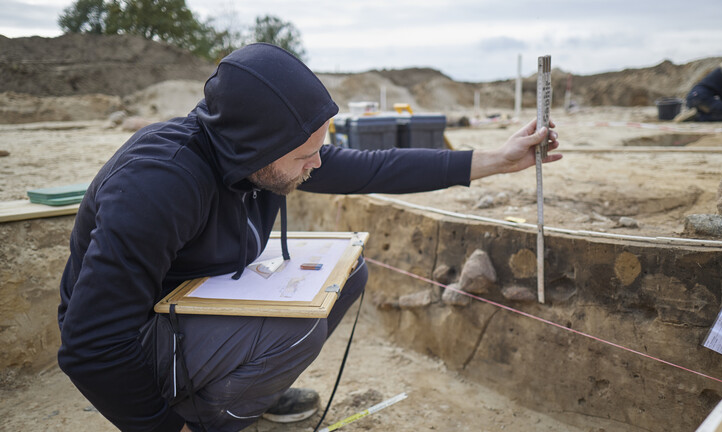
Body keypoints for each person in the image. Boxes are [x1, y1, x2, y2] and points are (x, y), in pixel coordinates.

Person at [57, 43, 561, 432]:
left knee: (346, 273)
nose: (316, 164)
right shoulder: (161, 183)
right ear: (257, 146)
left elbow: (373, 167)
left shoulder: (257, 152)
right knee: (296, 326)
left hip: (191, 304)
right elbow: (92, 344)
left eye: (319, 148)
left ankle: (242, 393)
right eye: (304, 157)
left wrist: (498, 160)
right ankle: (207, 417)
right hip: (137, 337)